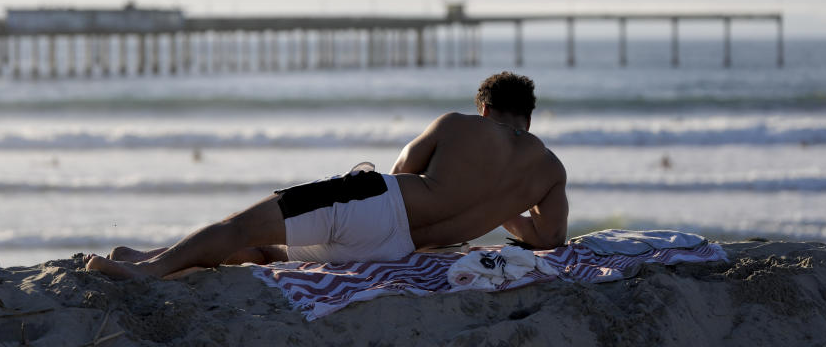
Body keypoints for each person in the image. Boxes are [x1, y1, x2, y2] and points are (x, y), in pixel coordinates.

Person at [86, 71, 568, 279]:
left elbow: (401, 173)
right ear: (529, 118)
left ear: (484, 107)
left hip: (375, 207)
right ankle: (150, 255)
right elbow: (548, 239)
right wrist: (504, 208)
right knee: (269, 252)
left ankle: (147, 272)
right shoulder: (549, 169)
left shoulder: (458, 125)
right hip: (396, 252)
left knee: (243, 226)